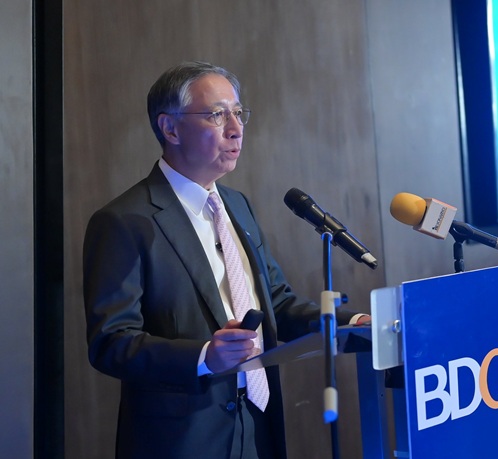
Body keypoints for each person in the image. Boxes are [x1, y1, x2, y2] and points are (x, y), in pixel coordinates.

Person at [83, 61, 368, 459]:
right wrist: (204, 357)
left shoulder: (236, 205)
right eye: (217, 115)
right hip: (182, 439)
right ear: (170, 128)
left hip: (257, 425)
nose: (236, 129)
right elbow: (111, 342)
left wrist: (353, 324)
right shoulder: (124, 221)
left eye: (238, 112)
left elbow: (276, 303)